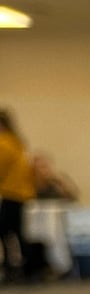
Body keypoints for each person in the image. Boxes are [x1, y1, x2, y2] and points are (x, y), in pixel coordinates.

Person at [0, 109, 39, 283]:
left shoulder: (4, 143)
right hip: (22, 194)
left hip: (11, 193)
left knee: (6, 232)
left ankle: (13, 266)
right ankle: (26, 267)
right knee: (17, 232)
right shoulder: (18, 143)